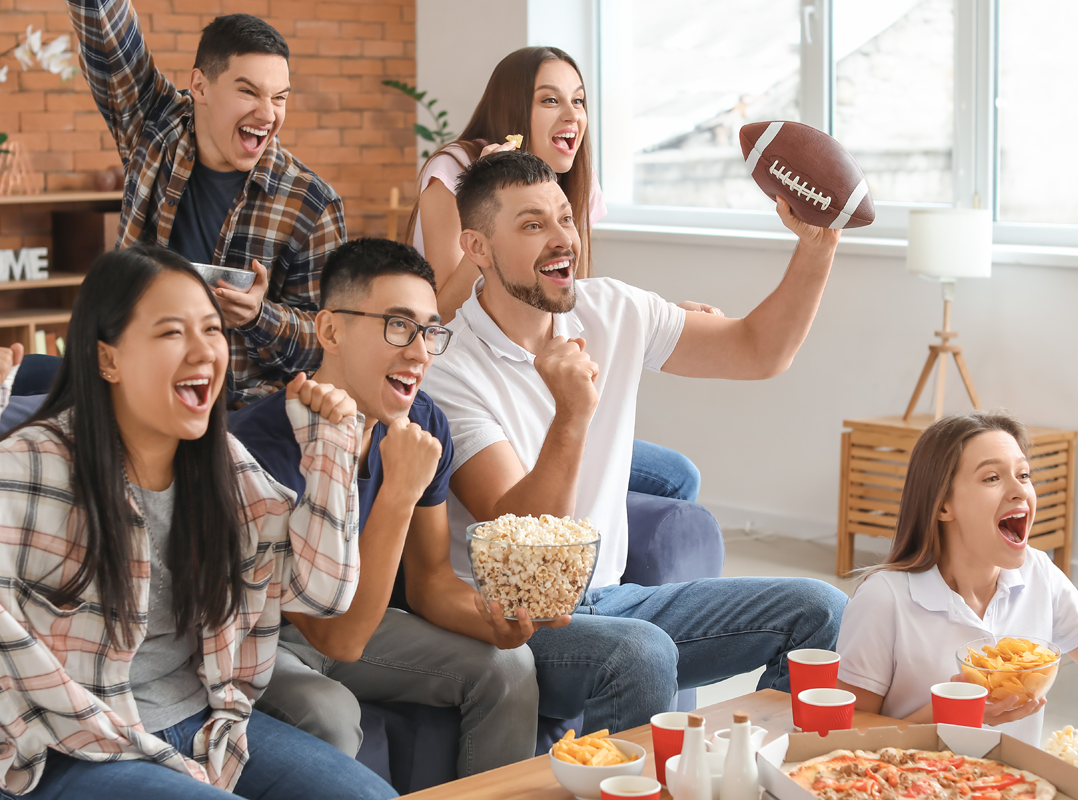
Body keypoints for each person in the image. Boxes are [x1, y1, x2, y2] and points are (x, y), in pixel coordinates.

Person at [0, 244, 395, 800]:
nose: (203, 351)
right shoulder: (30, 465)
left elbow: (322, 593)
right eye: (172, 333)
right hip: (72, 751)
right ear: (108, 359)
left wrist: (329, 452)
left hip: (206, 734)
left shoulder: (223, 466)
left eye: (211, 329)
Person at [420, 151, 849, 734]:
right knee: (641, 652)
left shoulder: (612, 308)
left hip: (612, 602)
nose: (561, 239)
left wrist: (817, 246)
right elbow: (525, 550)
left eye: (565, 219)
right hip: (516, 622)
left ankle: (758, 775)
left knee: (823, 611)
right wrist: (572, 415)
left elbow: (759, 349)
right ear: (476, 248)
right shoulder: (448, 368)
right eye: (531, 225)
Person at [228, 238, 560, 777]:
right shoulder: (262, 446)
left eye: (430, 330)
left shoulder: (423, 423)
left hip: (361, 619)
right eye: (399, 325)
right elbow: (333, 634)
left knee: (510, 665)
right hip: (265, 635)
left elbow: (430, 580)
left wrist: (492, 620)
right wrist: (400, 490)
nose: (420, 352)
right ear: (330, 330)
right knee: (329, 711)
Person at [409, 45, 706, 504]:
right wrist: (492, 219)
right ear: (513, 109)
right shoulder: (452, 170)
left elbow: (565, 295)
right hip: (473, 385)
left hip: (541, 383)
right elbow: (441, 314)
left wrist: (660, 315)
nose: (571, 114)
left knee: (678, 476)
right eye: (550, 100)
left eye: (579, 100)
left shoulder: (569, 182)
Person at [68, 1, 345, 404]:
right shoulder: (155, 127)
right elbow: (109, 40)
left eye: (280, 98)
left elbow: (330, 342)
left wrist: (257, 316)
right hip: (135, 382)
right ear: (200, 87)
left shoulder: (312, 204)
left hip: (238, 410)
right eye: (248, 91)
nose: (267, 114)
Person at [835, 412, 1078, 744]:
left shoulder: (1039, 573)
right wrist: (954, 709)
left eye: (1023, 475)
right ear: (942, 506)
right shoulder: (884, 600)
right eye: (992, 478)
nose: (1019, 491)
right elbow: (846, 738)